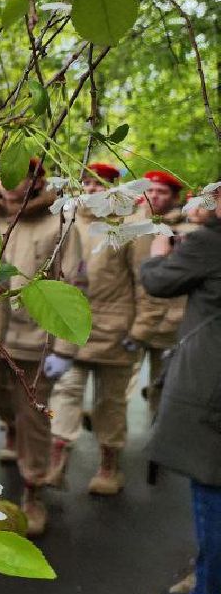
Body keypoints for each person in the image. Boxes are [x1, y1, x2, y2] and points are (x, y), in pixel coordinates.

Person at [137, 193, 221, 594]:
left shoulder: (211, 242)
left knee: (210, 483)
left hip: (210, 384)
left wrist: (156, 252)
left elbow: (159, 282)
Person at [48, 165, 145, 495]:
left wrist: (140, 329)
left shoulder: (129, 228)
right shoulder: (67, 223)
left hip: (117, 331)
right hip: (74, 329)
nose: (91, 188)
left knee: (111, 403)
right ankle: (56, 461)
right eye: (86, 182)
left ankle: (109, 466)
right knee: (66, 393)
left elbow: (144, 282)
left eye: (99, 183)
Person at [0, 161, 69, 535]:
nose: (5, 182)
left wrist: (63, 348)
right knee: (0, 404)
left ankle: (34, 489)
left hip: (35, 341)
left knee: (33, 417)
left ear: (36, 182)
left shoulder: (57, 223)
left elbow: (71, 287)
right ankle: (11, 429)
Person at [128, 170, 191, 424]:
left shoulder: (188, 231)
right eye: (150, 190)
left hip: (172, 321)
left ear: (175, 197)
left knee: (163, 386)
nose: (154, 195)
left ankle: (157, 438)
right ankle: (109, 443)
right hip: (134, 317)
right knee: (118, 386)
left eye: (161, 191)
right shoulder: (130, 227)